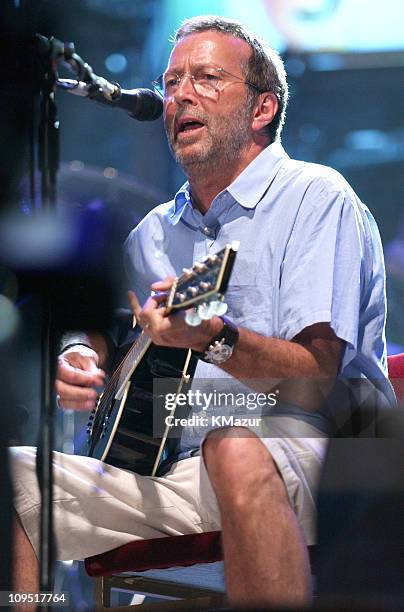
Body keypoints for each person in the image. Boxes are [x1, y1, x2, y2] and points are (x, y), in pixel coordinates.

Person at [9, 15, 392, 607]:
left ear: (262, 108)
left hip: (330, 455)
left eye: (208, 78)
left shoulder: (317, 197)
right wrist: (82, 355)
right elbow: (113, 335)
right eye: (171, 83)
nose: (180, 95)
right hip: (177, 466)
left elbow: (318, 374)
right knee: (14, 478)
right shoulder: (151, 236)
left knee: (234, 447)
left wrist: (214, 338)